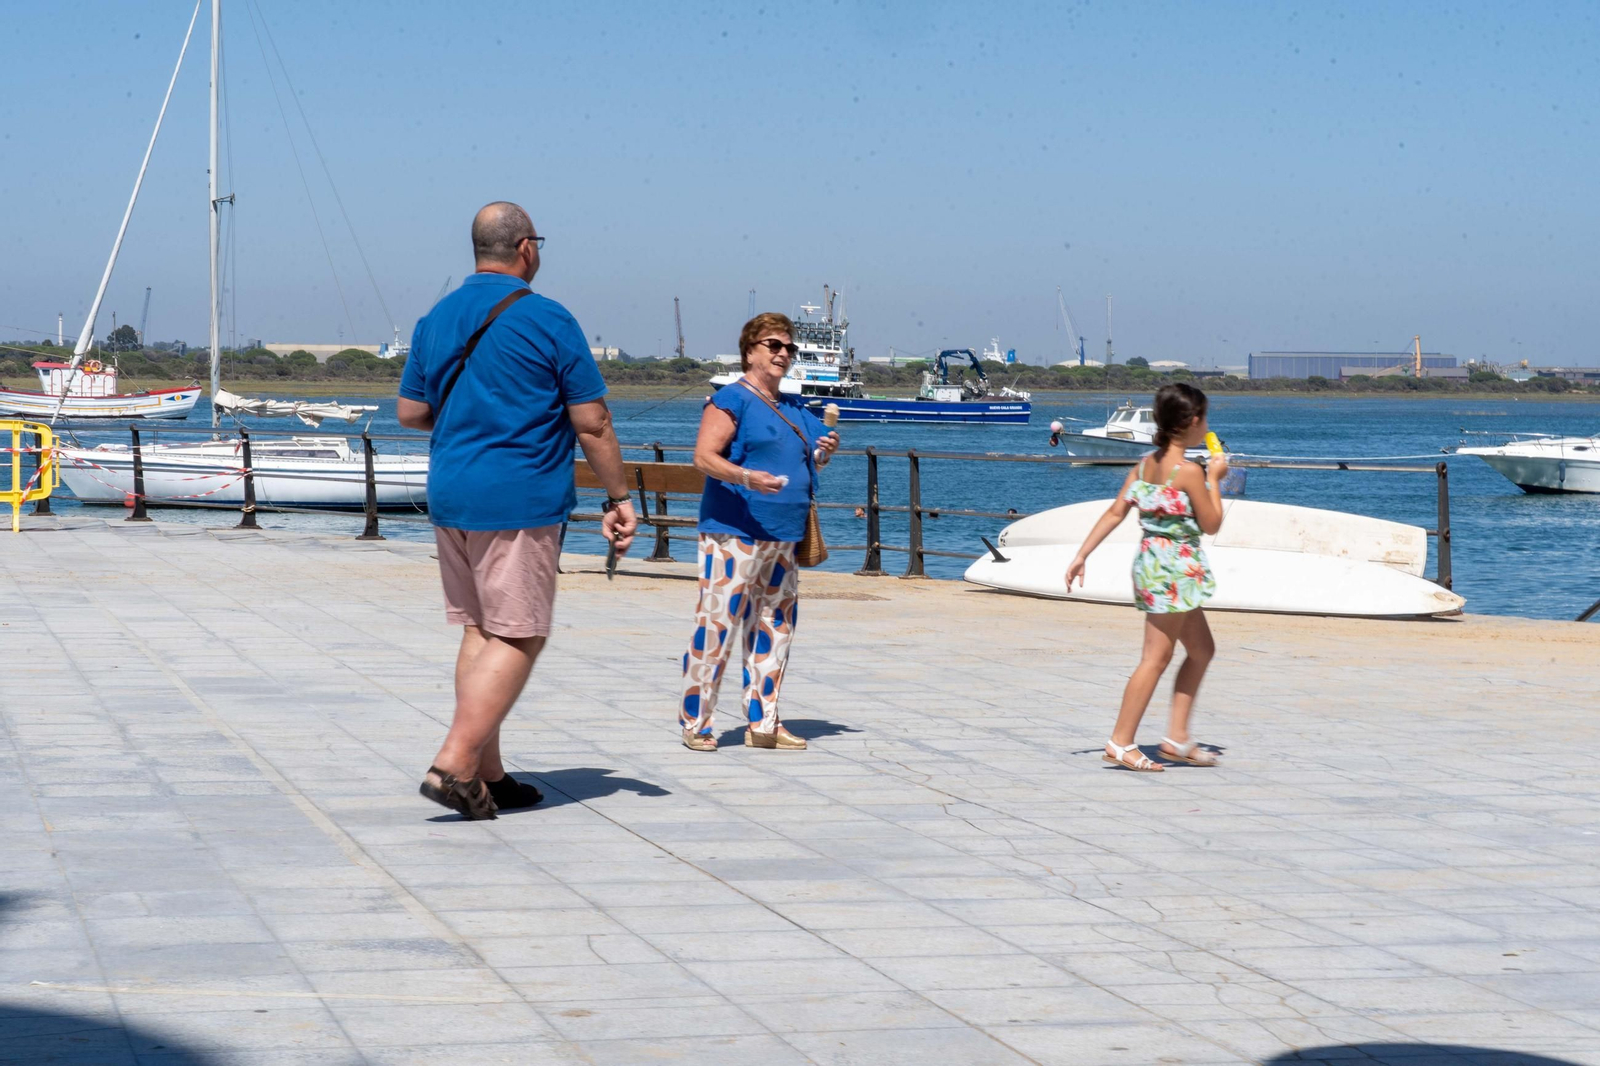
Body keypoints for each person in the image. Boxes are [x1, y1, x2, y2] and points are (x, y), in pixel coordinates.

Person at [398, 201, 638, 818]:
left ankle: (489, 774)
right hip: (519, 496)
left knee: (481, 630)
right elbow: (593, 421)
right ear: (527, 247)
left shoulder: (435, 318)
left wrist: (471, 417)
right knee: (521, 632)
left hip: (451, 492)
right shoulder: (548, 318)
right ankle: (454, 762)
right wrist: (619, 497)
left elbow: (412, 412)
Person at [678, 313, 839, 752]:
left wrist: (825, 450)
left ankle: (764, 722)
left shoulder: (794, 407)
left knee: (775, 627)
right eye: (774, 345)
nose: (783, 353)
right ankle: (696, 723)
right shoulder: (731, 400)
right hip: (734, 531)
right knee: (718, 625)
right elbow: (704, 457)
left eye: (789, 347)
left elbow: (812, 459)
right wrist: (748, 477)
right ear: (749, 351)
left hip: (783, 536)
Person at [1065, 383, 1226, 773]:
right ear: (1191, 421)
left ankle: (1176, 737)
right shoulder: (1190, 471)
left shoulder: (1144, 465)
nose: (1207, 424)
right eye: (1204, 417)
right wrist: (1216, 478)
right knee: (1155, 658)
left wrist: (1082, 554)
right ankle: (1120, 742)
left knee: (1202, 649)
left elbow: (1115, 513)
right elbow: (1211, 523)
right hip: (1173, 571)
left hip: (1154, 564)